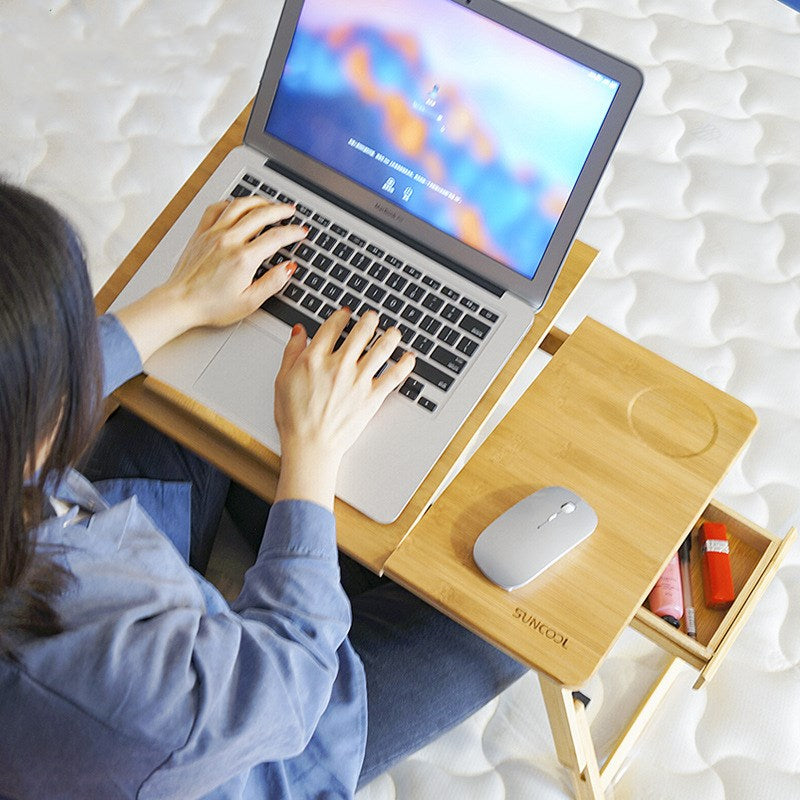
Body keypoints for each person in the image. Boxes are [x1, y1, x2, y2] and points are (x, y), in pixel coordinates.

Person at [0, 180, 526, 799]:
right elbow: (290, 682)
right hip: (261, 732)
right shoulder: (111, 682)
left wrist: (181, 301)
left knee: (192, 389)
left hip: (102, 550)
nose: (83, 353)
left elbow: (35, 386)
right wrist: (312, 451)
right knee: (518, 609)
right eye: (68, 342)